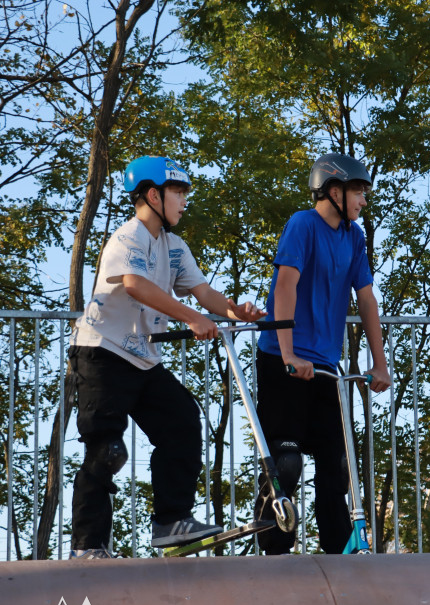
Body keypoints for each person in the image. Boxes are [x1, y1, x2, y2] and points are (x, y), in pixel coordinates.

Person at [69, 155, 265, 559]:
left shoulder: (173, 246)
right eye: (178, 192)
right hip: (101, 352)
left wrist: (233, 311)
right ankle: (88, 547)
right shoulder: (129, 236)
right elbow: (136, 284)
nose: (183, 201)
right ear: (153, 195)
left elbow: (203, 293)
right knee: (107, 450)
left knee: (181, 422)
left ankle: (171, 524)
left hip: (142, 358)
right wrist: (192, 318)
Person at [254, 152, 392, 555]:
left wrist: (380, 363)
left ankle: (337, 556)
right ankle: (276, 552)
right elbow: (285, 287)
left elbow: (366, 299)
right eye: (358, 192)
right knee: (287, 463)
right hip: (283, 358)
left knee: (336, 466)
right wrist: (287, 355)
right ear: (335, 191)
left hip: (325, 367)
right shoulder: (303, 225)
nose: (364, 201)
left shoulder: (354, 237)